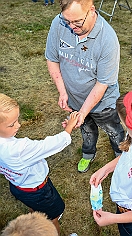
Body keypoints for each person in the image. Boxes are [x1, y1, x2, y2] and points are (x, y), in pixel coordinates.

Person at [45, 0, 125, 173]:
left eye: (77, 22)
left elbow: (102, 83)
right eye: (67, 21)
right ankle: (88, 153)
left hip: (103, 103)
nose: (72, 26)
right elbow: (52, 58)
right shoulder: (58, 23)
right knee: (86, 129)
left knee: (114, 131)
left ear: (92, 10)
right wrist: (62, 92)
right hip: (74, 99)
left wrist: (83, 111)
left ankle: (122, 157)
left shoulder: (108, 40)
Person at [0, 93, 79, 236]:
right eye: (12, 124)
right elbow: (46, 146)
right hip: (38, 191)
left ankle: (35, 212)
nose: (18, 125)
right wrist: (68, 130)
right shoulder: (17, 149)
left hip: (18, 186)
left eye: (17, 120)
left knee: (35, 209)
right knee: (50, 220)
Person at [90, 88, 132, 236]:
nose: (126, 129)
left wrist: (114, 218)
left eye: (126, 126)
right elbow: (129, 154)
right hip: (126, 206)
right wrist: (106, 169)